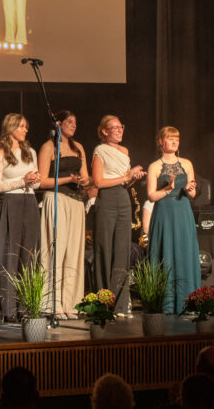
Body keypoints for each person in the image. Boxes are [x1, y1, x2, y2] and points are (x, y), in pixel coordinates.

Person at [37, 110, 90, 319]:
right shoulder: (49, 147)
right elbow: (42, 181)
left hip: (76, 202)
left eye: (75, 122)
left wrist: (84, 181)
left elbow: (87, 178)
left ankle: (71, 303)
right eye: (69, 122)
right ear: (58, 123)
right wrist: (68, 179)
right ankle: (52, 303)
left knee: (74, 253)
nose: (74, 125)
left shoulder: (79, 148)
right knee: (55, 251)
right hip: (57, 198)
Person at [91, 115, 146, 314]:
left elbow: (125, 181)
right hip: (107, 199)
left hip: (123, 199)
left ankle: (121, 303)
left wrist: (133, 178)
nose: (119, 130)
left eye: (121, 127)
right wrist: (126, 176)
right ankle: (104, 300)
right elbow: (98, 182)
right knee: (105, 248)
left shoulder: (124, 151)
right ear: (104, 131)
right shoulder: (100, 151)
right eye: (114, 128)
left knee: (122, 250)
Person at [0, 113, 41, 321]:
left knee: (28, 255)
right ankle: (8, 309)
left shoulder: (30, 152)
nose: (25, 130)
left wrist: (34, 180)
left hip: (29, 202)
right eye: (21, 126)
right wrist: (22, 180)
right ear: (10, 128)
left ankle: (26, 306)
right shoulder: (0, 154)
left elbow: (36, 184)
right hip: (10, 203)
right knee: (9, 256)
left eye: (26, 126)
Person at [145, 126, 200, 314]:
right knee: (166, 252)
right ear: (161, 142)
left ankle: (187, 301)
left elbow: (192, 193)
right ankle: (166, 303)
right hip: (164, 214)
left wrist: (191, 189)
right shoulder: (154, 166)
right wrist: (168, 188)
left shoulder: (187, 163)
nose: (175, 141)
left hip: (183, 212)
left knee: (185, 253)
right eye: (170, 138)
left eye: (177, 138)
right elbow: (151, 196)